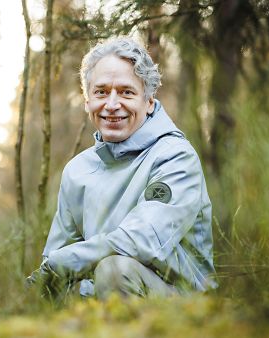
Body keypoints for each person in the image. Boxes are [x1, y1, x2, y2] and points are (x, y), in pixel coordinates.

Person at [28, 36, 217, 299]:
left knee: (115, 271)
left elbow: (144, 241)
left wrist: (67, 263)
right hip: (100, 300)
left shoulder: (175, 156)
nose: (112, 104)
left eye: (126, 92)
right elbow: (56, 262)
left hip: (183, 302)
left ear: (149, 102)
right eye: (101, 92)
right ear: (87, 101)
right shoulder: (77, 170)